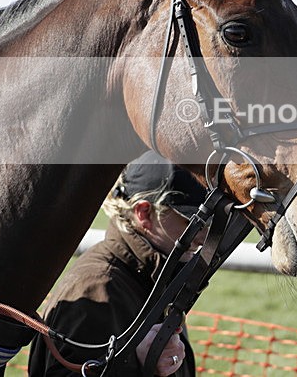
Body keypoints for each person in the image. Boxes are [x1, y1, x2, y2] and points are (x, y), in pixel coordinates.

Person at [28, 151, 209, 376]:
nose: (203, 236)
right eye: (192, 222)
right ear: (144, 213)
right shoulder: (98, 287)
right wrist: (134, 361)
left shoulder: (153, 278)